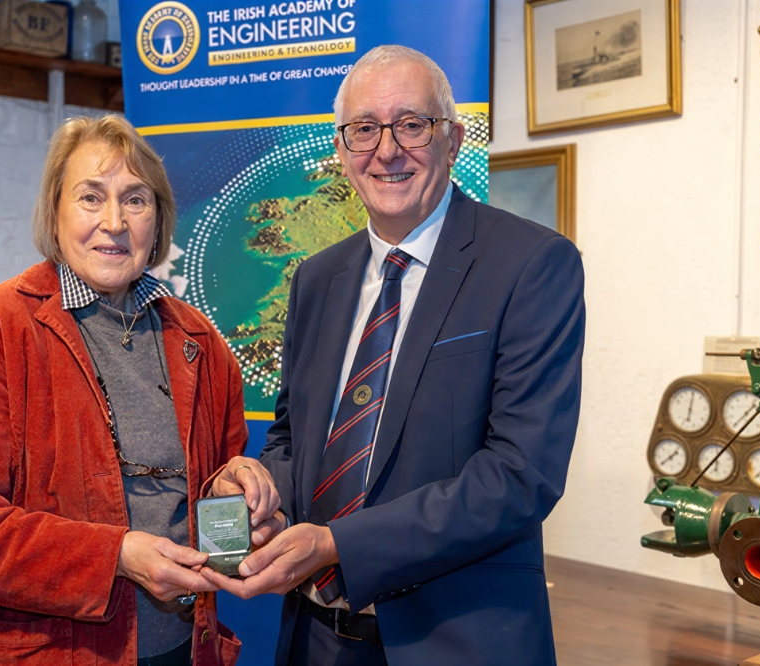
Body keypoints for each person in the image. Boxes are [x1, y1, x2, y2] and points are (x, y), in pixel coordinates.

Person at [203, 45, 586, 666]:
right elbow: (295, 440)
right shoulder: (316, 279)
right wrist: (261, 485)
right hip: (315, 640)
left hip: (459, 641)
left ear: (454, 138)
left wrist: (336, 545)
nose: (387, 150)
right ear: (341, 149)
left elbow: (521, 475)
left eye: (412, 124)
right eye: (364, 129)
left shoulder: (530, 264)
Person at [0, 115, 280, 666]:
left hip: (181, 648)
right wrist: (116, 556)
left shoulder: (200, 340)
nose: (114, 222)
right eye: (90, 197)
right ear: (54, 214)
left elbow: (212, 481)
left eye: (135, 199)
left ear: (158, 220)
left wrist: (235, 482)